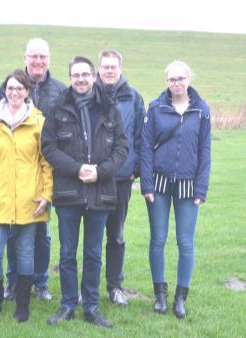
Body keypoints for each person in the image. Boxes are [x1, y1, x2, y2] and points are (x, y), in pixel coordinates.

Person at [42, 56, 128, 328]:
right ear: (70, 78)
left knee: (93, 254)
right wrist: (77, 168)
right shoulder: (58, 107)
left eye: (85, 74)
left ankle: (91, 306)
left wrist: (100, 171)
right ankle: (68, 304)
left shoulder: (110, 108)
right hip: (68, 193)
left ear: (94, 77)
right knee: (67, 253)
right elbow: (48, 146)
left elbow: (122, 148)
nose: (80, 79)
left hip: (100, 192)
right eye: (75, 75)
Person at [0, 69, 53, 323]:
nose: (14, 93)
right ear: (5, 91)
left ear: (27, 92)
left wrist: (46, 194)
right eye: (10, 88)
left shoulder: (39, 121)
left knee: (25, 255)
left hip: (29, 202)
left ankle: (23, 305)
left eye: (19, 89)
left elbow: (46, 163)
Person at [0, 38, 66, 301]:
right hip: (16, 175)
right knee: (15, 232)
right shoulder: (9, 85)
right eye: (33, 56)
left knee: (42, 234)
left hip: (46, 171)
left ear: (49, 59)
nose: (38, 61)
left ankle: (41, 282)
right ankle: (12, 282)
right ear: (25, 57)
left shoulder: (60, 90)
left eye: (43, 57)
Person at [141, 60, 211, 319]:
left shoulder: (202, 111)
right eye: (172, 79)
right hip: (158, 183)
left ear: (189, 79)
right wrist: (146, 184)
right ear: (167, 81)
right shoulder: (155, 108)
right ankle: (160, 295)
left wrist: (201, 189)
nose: (177, 83)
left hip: (188, 185)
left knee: (185, 242)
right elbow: (146, 147)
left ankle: (180, 298)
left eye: (181, 78)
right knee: (158, 240)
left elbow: (205, 152)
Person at [96, 50, 146, 306]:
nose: (109, 71)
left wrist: (134, 169)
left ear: (120, 68)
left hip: (122, 179)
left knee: (115, 235)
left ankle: (115, 286)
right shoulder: (89, 94)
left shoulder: (133, 97)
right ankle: (89, 287)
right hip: (93, 179)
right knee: (92, 236)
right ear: (99, 68)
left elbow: (141, 136)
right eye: (105, 67)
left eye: (113, 67)